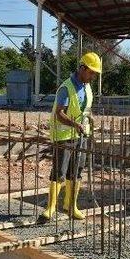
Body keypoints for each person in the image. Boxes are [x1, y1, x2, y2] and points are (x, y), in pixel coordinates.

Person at [38, 52, 101, 224]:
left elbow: (85, 108)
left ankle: (70, 206)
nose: (93, 76)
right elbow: (59, 114)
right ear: (82, 68)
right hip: (64, 136)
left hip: (81, 135)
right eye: (91, 72)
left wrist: (90, 117)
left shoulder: (87, 86)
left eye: (95, 73)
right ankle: (50, 208)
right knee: (59, 172)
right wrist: (75, 125)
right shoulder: (66, 88)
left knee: (76, 172)